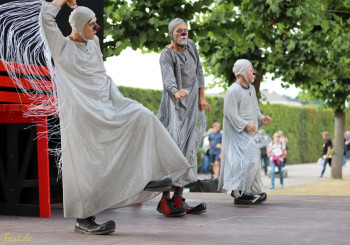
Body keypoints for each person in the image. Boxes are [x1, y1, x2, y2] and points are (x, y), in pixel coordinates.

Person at [39, 0, 193, 234]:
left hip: (105, 104)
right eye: (93, 25)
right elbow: (45, 20)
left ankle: (150, 174)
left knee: (143, 116)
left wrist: (117, 103)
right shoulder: (61, 47)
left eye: (97, 25)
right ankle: (84, 218)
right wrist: (60, 1)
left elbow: (101, 77)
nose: (97, 28)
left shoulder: (94, 43)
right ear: (80, 25)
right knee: (87, 162)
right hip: (81, 112)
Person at [157, 18, 211, 216]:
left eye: (186, 31)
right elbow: (168, 79)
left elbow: (199, 72)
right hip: (174, 107)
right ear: (172, 33)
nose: (184, 34)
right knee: (173, 150)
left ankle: (179, 198)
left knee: (188, 149)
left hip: (191, 108)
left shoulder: (191, 46)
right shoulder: (166, 54)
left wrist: (202, 98)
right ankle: (164, 199)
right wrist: (175, 91)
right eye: (180, 31)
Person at [218, 59, 271, 205]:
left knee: (253, 162)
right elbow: (229, 113)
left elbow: (255, 110)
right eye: (250, 69)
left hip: (251, 134)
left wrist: (261, 119)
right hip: (239, 134)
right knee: (243, 162)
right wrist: (245, 125)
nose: (253, 72)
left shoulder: (252, 89)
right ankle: (239, 192)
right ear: (241, 72)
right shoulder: (233, 90)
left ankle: (250, 190)